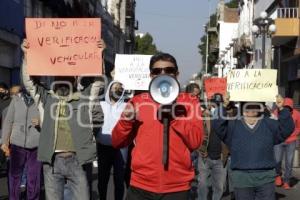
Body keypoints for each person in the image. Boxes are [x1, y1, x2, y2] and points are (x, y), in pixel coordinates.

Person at [112, 53, 204, 200]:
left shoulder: (189, 102)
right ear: (150, 75)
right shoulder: (137, 102)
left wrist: (175, 119)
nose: (163, 74)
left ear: (177, 74)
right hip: (141, 186)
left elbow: (196, 142)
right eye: (157, 71)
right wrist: (126, 121)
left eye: (168, 70)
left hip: (177, 188)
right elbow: (117, 142)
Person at [21, 39, 104, 200]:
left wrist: (98, 55)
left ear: (75, 78)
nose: (64, 76)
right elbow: (29, 83)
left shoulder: (84, 98)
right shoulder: (46, 98)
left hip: (78, 161)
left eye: (69, 73)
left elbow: (98, 83)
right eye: (60, 73)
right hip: (52, 162)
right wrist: (27, 55)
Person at [212, 94, 295, 200]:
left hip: (266, 179)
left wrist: (281, 108)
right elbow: (217, 125)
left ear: (261, 107)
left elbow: (287, 129)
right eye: (247, 105)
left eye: (255, 105)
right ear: (242, 107)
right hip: (242, 180)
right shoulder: (233, 125)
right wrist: (223, 105)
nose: (250, 108)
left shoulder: (269, 124)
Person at [1, 88, 41, 200]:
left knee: (34, 177)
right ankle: (14, 198)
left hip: (36, 144)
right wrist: (5, 141)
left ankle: (33, 198)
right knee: (14, 176)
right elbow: (8, 121)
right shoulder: (16, 99)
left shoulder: (41, 98)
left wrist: (40, 122)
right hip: (17, 144)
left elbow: (49, 119)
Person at [96, 81, 127, 200]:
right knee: (102, 180)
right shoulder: (101, 104)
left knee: (119, 180)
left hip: (121, 148)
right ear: (109, 89)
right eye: (114, 87)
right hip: (103, 147)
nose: (116, 89)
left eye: (119, 88)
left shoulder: (126, 106)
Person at [197, 94, 230, 200]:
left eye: (219, 104)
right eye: (215, 103)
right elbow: (196, 134)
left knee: (219, 187)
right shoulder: (203, 115)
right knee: (202, 185)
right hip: (205, 156)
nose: (217, 106)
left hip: (221, 157)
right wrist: (200, 149)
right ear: (210, 103)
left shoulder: (227, 117)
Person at [274, 98, 300, 189]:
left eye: (289, 107)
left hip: (291, 141)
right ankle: (277, 176)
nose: (287, 109)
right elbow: (273, 125)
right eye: (285, 107)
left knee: (289, 162)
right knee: (277, 160)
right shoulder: (276, 112)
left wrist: (293, 133)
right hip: (279, 141)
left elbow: (299, 127)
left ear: (292, 107)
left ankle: (287, 181)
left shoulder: (297, 114)